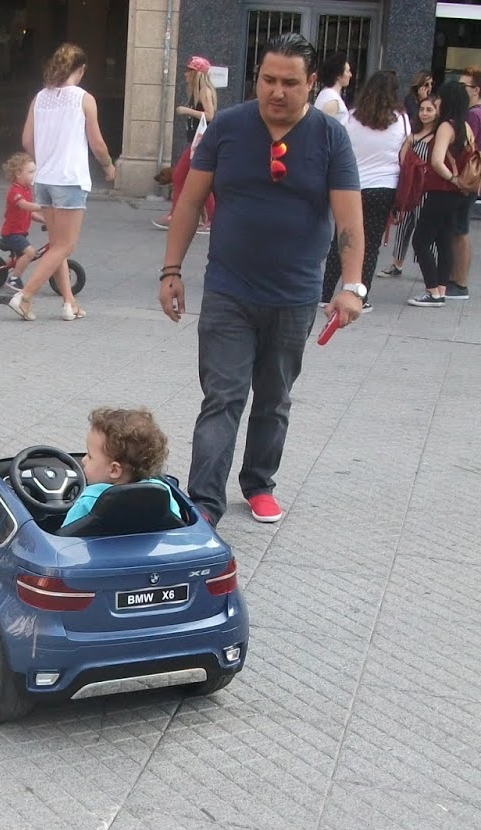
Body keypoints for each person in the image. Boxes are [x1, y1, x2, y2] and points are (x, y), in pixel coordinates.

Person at [160, 31, 364, 525]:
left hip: (295, 296)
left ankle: (258, 483)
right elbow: (189, 202)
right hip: (228, 290)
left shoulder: (331, 137)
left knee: (273, 399)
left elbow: (349, 220)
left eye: (290, 82)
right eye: (268, 79)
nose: (277, 91)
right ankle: (205, 503)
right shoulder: (227, 127)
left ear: (311, 83)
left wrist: (352, 286)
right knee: (223, 396)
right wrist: (171, 271)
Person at [9, 43, 117, 322]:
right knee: (65, 246)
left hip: (44, 179)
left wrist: (44, 159)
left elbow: (26, 140)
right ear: (80, 69)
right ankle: (24, 296)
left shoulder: (39, 98)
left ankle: (69, 303)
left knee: (56, 244)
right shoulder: (84, 99)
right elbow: (97, 143)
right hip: (70, 179)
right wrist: (108, 166)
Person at [321, 69, 406, 306]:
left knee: (342, 238)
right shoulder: (402, 120)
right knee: (371, 244)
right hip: (385, 186)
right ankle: (361, 296)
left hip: (352, 185)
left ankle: (325, 293)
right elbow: (404, 154)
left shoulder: (351, 117)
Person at [408, 80, 477, 307]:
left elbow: (437, 161)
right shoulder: (466, 127)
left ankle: (432, 291)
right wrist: (459, 182)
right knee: (444, 240)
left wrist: (451, 179)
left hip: (442, 190)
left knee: (421, 240)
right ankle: (441, 289)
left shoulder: (446, 127)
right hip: (459, 194)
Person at [60, 407, 181, 525]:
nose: (83, 460)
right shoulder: (162, 495)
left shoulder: (89, 501)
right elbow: (176, 526)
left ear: (114, 470)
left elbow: (64, 534)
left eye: (90, 456)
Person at [153, 55, 217, 232]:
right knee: (193, 179)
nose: (185, 74)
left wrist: (187, 110)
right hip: (196, 141)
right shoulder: (197, 92)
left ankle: (178, 215)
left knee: (181, 176)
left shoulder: (204, 91)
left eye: (189, 70)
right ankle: (205, 218)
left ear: (197, 73)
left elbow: (210, 115)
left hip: (200, 142)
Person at [382, 92, 438, 278]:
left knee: (426, 229)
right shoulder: (412, 134)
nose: (424, 113)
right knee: (403, 226)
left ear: (437, 112)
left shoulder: (438, 136)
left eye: (429, 110)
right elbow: (402, 158)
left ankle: (429, 267)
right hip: (410, 187)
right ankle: (396, 263)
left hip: (427, 189)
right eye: (422, 109)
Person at [445, 66, 481, 300]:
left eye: (464, 86)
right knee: (459, 230)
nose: (460, 89)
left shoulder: (472, 115)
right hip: (472, 178)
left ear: (476, 90)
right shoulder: (479, 113)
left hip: (466, 179)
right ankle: (456, 278)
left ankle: (459, 282)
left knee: (459, 231)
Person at [0, 151, 43, 289]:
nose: (34, 175)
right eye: (30, 172)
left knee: (24, 255)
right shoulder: (15, 191)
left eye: (35, 171)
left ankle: (1, 270)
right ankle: (14, 279)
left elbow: (30, 213)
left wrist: (45, 220)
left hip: (20, 232)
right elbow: (24, 205)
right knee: (30, 253)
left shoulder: (27, 190)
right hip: (12, 233)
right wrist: (43, 206)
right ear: (18, 174)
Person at [314, 52, 351, 120]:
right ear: (338, 75)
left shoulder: (327, 94)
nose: (350, 75)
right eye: (347, 71)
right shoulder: (332, 99)